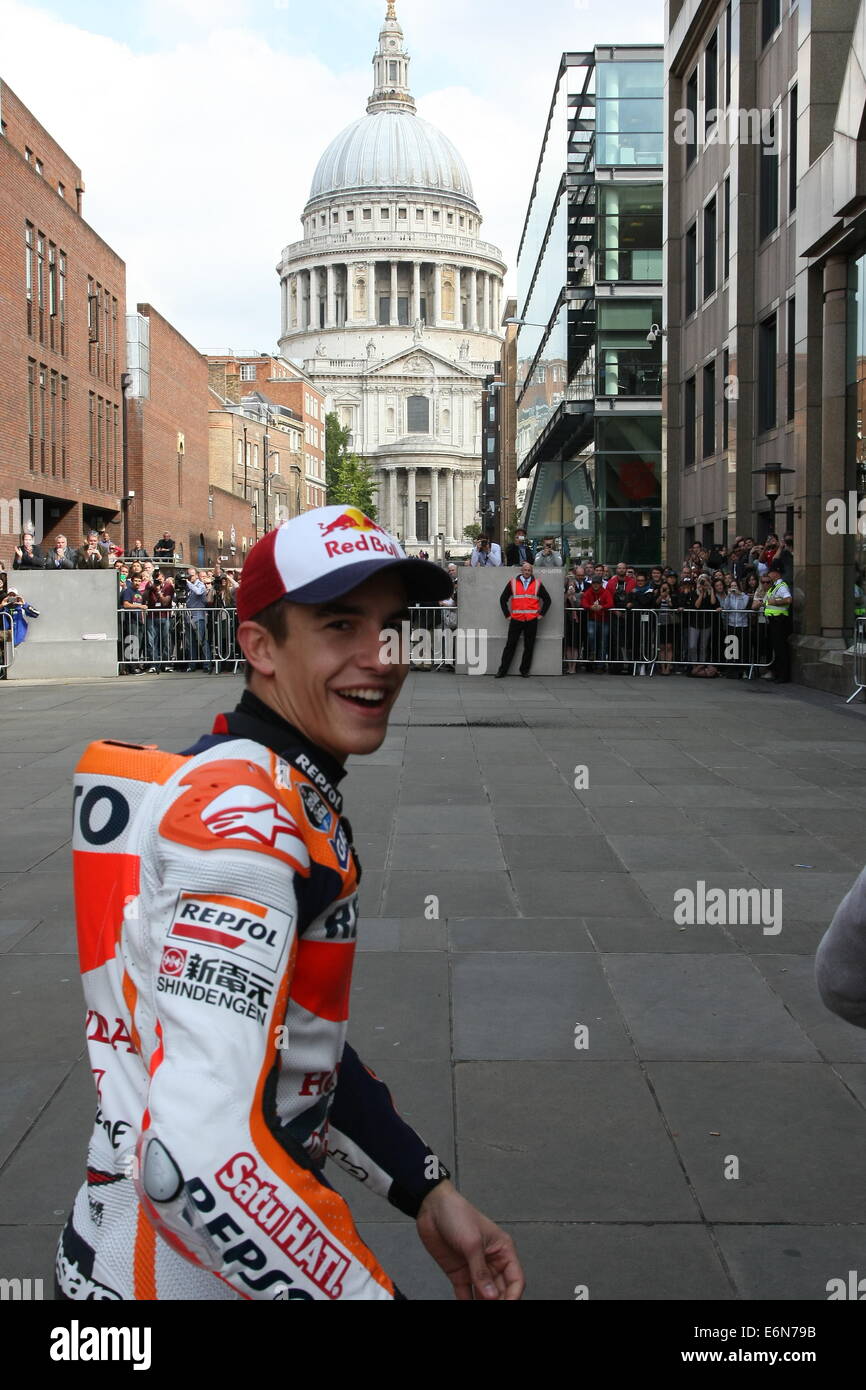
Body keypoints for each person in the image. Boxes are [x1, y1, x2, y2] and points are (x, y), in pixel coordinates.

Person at [59, 506, 524, 1301]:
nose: (381, 656)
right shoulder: (243, 822)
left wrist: (423, 1186)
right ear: (260, 648)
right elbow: (201, 1156)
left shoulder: (272, 782)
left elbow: (290, 1054)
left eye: (393, 625)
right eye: (341, 625)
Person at [495, 561, 551, 678]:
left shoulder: (537, 584)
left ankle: (524, 670)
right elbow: (502, 599)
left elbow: (548, 600)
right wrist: (507, 615)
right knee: (510, 645)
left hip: (531, 620)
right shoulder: (513, 583)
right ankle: (502, 670)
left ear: (531, 571)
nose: (527, 572)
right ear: (521, 571)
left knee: (529, 646)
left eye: (529, 570)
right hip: (516, 619)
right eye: (525, 570)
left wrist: (541, 614)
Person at [754, 560, 793, 683]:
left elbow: (788, 599)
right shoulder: (774, 586)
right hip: (773, 621)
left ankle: (783, 675)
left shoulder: (781, 586)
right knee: (776, 648)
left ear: (776, 573)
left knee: (781, 649)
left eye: (771, 571)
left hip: (779, 621)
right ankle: (778, 673)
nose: (769, 574)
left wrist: (775, 602)